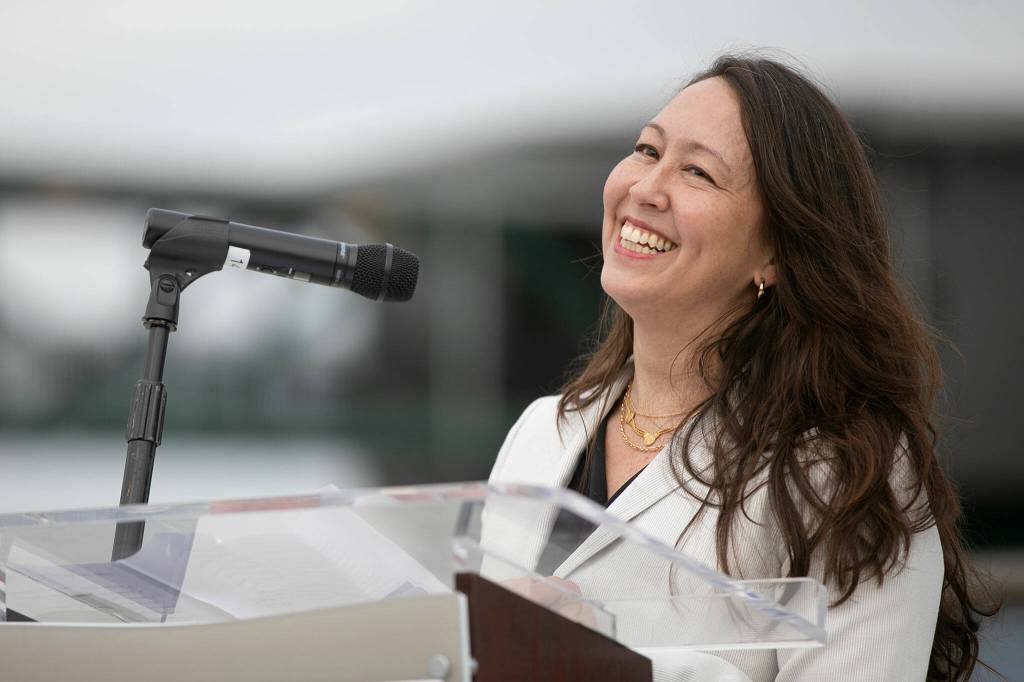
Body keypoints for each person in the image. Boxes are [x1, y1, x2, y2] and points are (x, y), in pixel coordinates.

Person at [487, 55, 997, 681]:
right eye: (648, 150)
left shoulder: (844, 470)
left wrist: (607, 662)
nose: (646, 187)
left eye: (698, 171)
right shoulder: (544, 431)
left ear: (777, 252)